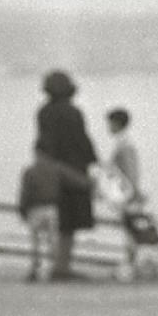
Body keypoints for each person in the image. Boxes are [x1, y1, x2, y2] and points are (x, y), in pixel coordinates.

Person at [34, 70, 98, 281]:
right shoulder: (73, 112)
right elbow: (82, 141)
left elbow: (43, 143)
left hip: (51, 169)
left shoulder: (43, 112)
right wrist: (94, 163)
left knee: (58, 221)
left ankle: (55, 264)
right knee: (69, 224)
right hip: (74, 169)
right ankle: (63, 266)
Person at [17, 149, 70, 282]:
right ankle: (54, 269)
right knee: (53, 241)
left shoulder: (30, 171)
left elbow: (25, 193)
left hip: (35, 209)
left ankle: (35, 269)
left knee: (36, 242)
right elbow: (75, 179)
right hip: (52, 208)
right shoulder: (56, 169)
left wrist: (22, 210)